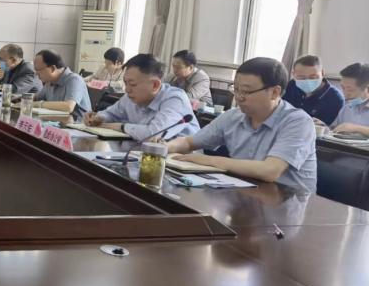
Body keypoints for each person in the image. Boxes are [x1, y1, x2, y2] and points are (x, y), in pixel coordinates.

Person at [166, 57, 317, 192]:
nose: (238, 97)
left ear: (275, 92)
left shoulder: (298, 122)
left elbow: (270, 171)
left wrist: (209, 161)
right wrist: (163, 147)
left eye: (246, 91)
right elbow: (189, 142)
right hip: (243, 193)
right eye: (236, 89)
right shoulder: (233, 116)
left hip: (289, 203)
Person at [84, 54, 199, 141]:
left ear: (155, 85)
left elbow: (153, 134)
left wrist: (120, 126)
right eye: (125, 83)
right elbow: (111, 114)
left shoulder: (175, 99)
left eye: (132, 84)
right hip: (140, 154)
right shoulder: (130, 97)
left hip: (182, 161)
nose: (127, 89)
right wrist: (98, 118)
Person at [282, 54, 343, 126]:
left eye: (312, 77)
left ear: (322, 73)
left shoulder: (335, 98)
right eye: (301, 77)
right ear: (293, 74)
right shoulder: (291, 85)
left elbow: (331, 128)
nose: (307, 81)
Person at [33, 49, 91, 121]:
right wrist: (25, 99)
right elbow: (36, 97)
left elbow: (68, 106)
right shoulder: (49, 81)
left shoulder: (74, 80)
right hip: (57, 122)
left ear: (52, 68)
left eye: (38, 70)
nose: (36, 73)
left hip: (77, 124)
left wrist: (39, 104)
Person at [330, 63, 369, 136]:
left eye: (350, 90)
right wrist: (324, 127)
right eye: (343, 88)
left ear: (367, 89)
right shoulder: (347, 107)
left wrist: (356, 128)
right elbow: (335, 129)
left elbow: (350, 128)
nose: (345, 94)